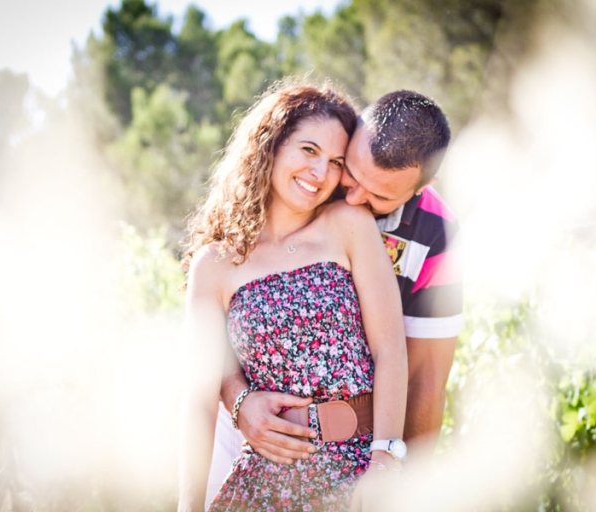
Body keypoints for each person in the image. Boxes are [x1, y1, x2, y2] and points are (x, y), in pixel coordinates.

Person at [178, 79, 408, 512]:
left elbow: (390, 348)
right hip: (266, 482)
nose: (320, 173)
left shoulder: (349, 224)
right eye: (308, 150)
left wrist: (384, 460)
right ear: (271, 146)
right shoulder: (214, 264)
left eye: (336, 161)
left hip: (360, 470)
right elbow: (199, 398)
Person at [216, 90, 462, 481]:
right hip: (249, 431)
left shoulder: (439, 236)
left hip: (357, 446)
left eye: (379, 195)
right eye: (351, 169)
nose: (352, 195)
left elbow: (426, 379)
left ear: (421, 186)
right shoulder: (312, 173)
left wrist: (404, 480)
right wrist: (238, 399)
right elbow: (218, 314)